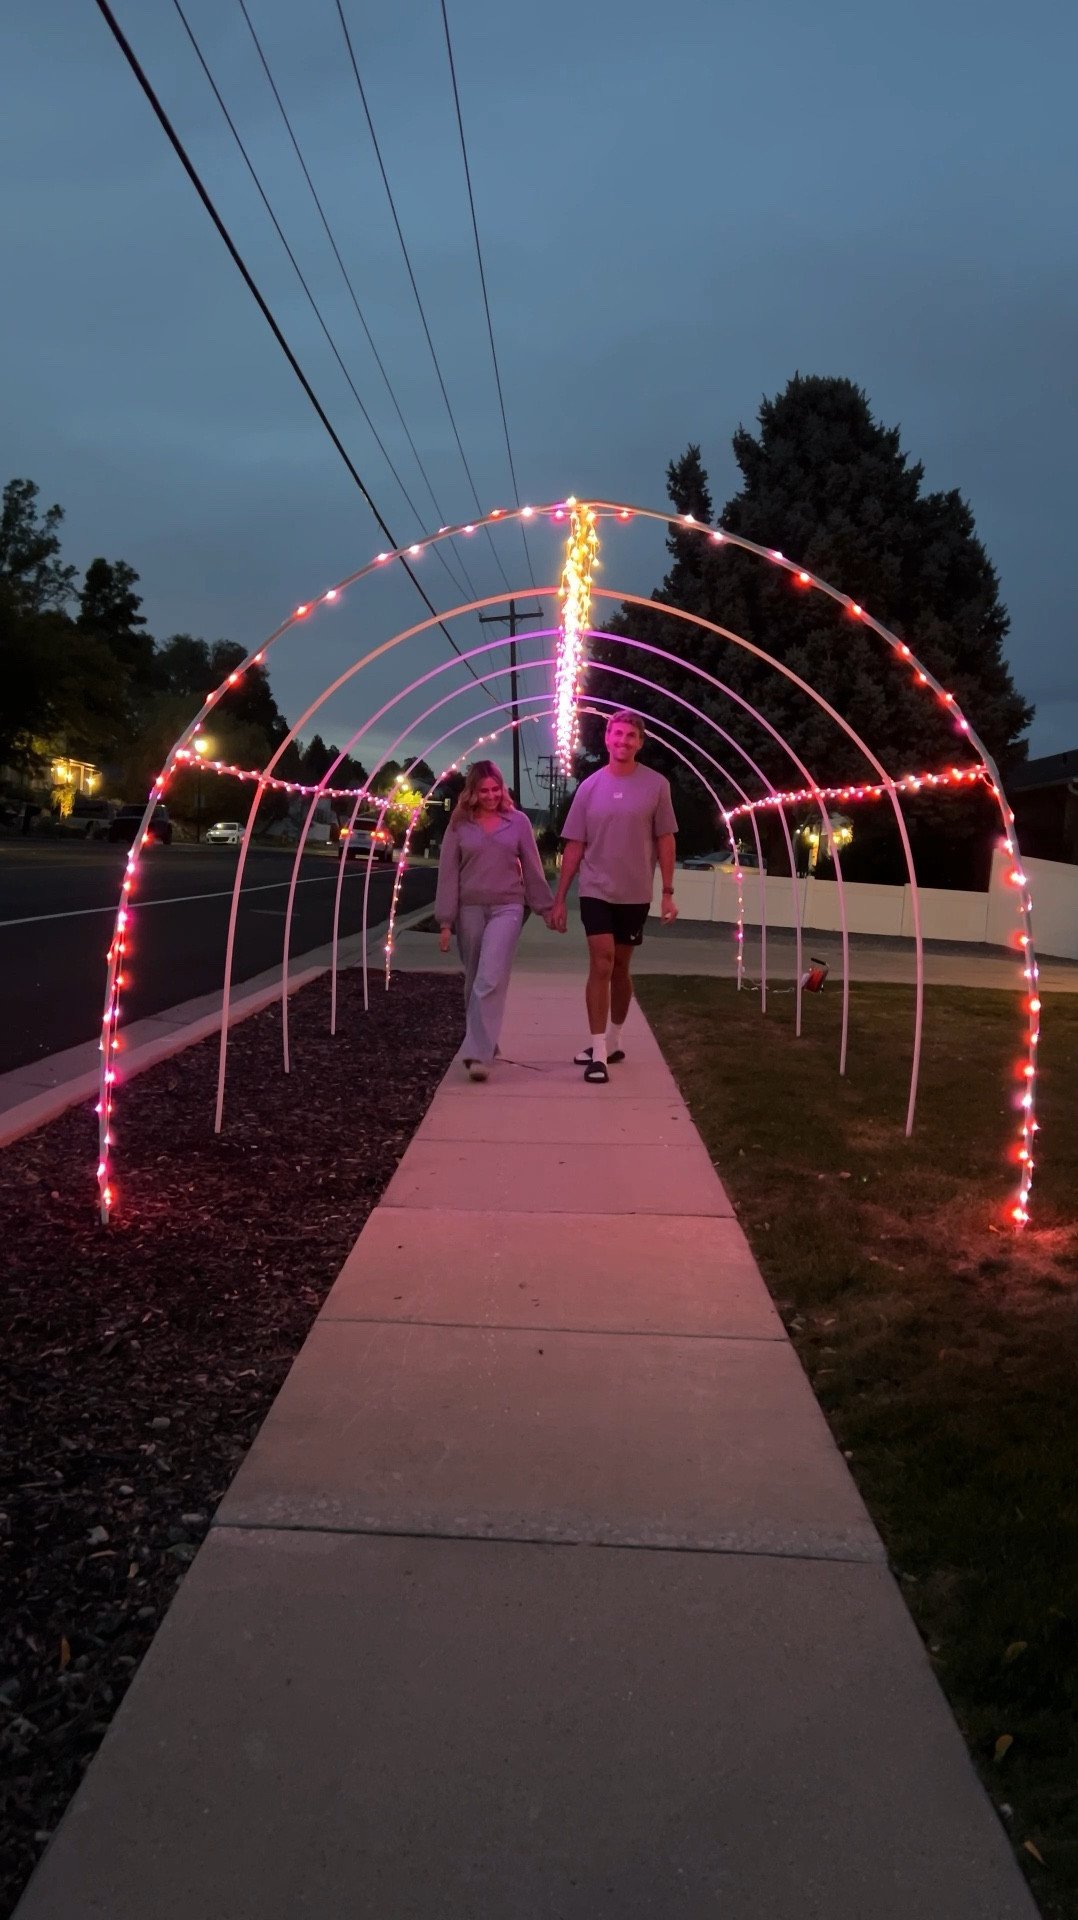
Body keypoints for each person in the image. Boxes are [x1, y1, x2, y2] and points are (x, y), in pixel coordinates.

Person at [550, 710, 678, 1083]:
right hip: (596, 889)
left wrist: (667, 892)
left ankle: (616, 1039)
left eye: (630, 736)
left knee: (621, 967)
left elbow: (665, 839)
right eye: (617, 734)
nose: (622, 741)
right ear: (607, 738)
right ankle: (598, 1052)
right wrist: (560, 898)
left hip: (635, 891)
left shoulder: (656, 785)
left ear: (640, 742)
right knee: (602, 962)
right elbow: (575, 845)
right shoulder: (590, 787)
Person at [435, 760, 554, 1081]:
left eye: (495, 789)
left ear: (503, 789)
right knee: (474, 980)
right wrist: (445, 922)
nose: (490, 795)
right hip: (469, 909)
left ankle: (475, 1053)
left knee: (489, 976)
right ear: (472, 792)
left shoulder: (517, 822)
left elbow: (532, 867)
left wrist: (545, 907)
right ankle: (486, 1042)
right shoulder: (459, 825)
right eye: (483, 790)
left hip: (507, 908)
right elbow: (447, 875)